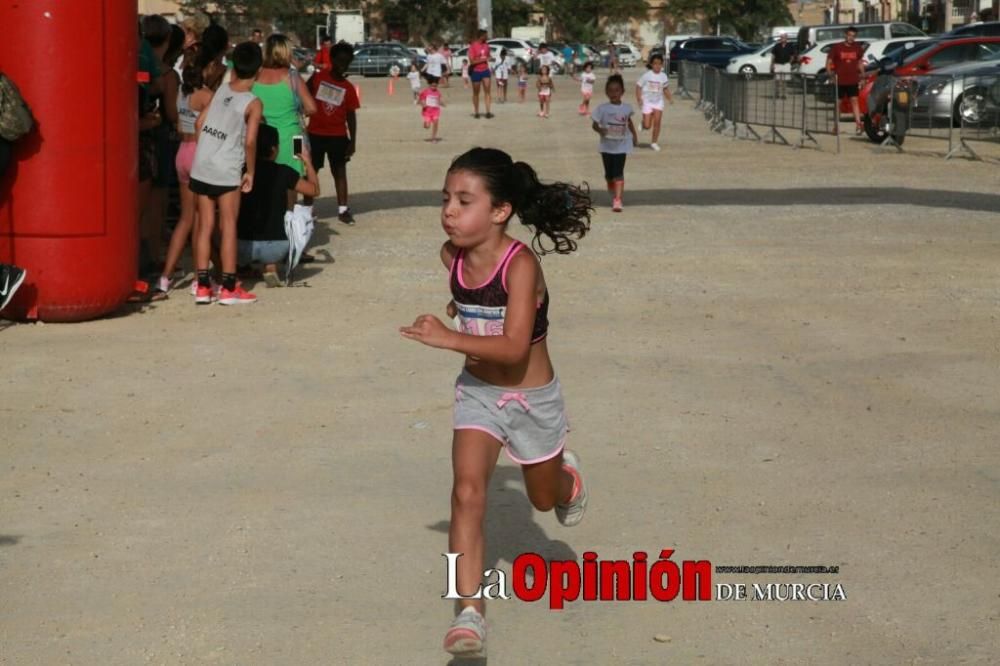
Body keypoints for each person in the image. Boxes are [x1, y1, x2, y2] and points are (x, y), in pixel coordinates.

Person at [399, 147, 592, 658]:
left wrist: (448, 337)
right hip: (479, 395)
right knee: (466, 494)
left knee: (543, 501)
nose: (449, 211)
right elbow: (468, 299)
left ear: (501, 211)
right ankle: (469, 615)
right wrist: (457, 309)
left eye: (465, 201)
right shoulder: (452, 257)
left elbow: (512, 347)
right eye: (446, 199)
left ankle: (566, 478)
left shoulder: (521, 266)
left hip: (532, 399)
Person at [190, 42, 264, 305]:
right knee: (229, 224)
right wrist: (250, 172)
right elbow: (251, 142)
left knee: (205, 225)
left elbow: (199, 123)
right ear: (259, 69)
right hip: (227, 167)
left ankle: (202, 286)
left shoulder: (221, 89)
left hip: (203, 165)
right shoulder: (253, 102)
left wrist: (206, 152)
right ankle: (229, 287)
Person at [237, 124, 320, 287]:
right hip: (277, 247)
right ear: (274, 150)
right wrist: (307, 161)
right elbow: (314, 190)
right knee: (296, 214)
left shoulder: (242, 172)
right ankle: (270, 266)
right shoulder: (284, 171)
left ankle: (234, 267)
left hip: (242, 247)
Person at [158, 51, 214, 294]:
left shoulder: (182, 93)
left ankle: (165, 276)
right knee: (203, 221)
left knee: (185, 218)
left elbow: (180, 124)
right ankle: (200, 277)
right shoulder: (207, 96)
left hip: (182, 152)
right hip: (199, 155)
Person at [307, 41, 361, 226]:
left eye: (346, 62)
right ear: (332, 59)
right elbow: (303, 95)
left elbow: (351, 116)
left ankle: (343, 209)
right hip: (315, 134)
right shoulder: (317, 78)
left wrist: (352, 141)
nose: (342, 65)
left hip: (338, 136)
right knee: (311, 172)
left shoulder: (348, 88)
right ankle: (307, 209)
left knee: (339, 172)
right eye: (339, 61)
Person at [592, 73, 638, 212]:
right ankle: (611, 185)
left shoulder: (627, 108)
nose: (614, 93)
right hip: (606, 147)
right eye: (610, 90)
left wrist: (634, 136)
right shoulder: (602, 109)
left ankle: (617, 200)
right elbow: (594, 125)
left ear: (622, 92)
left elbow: (628, 122)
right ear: (606, 92)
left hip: (621, 146)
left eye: (617, 90)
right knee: (609, 174)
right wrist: (600, 130)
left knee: (618, 172)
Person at [825, 25, 867, 134]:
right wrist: (831, 76)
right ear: (845, 35)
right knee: (838, 103)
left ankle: (858, 124)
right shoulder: (837, 47)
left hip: (853, 80)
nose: (851, 38)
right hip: (840, 80)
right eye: (849, 35)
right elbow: (829, 63)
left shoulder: (858, 48)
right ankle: (836, 126)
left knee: (854, 101)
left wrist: (862, 76)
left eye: (853, 36)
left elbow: (860, 63)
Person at [635, 53, 673, 152]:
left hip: (658, 102)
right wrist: (639, 99)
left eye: (659, 64)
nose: (657, 66)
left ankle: (654, 142)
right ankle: (643, 123)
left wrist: (669, 98)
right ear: (651, 64)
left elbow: (665, 89)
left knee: (657, 122)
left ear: (662, 65)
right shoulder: (647, 75)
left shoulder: (663, 76)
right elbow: (638, 87)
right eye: (655, 64)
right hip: (647, 101)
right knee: (648, 126)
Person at [468, 30, 494, 119]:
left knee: (487, 91)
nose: (487, 37)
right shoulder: (473, 46)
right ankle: (476, 112)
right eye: (485, 36)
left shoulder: (487, 45)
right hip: (476, 71)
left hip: (485, 70)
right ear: (481, 36)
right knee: (476, 93)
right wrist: (485, 59)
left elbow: (488, 55)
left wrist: (491, 58)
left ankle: (488, 111)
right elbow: (472, 61)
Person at [770, 32, 797, 99]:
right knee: (777, 81)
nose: (782, 38)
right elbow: (773, 56)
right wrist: (772, 65)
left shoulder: (790, 46)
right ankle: (777, 94)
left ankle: (784, 94)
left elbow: (792, 56)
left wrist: (789, 63)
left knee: (784, 81)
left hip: (786, 64)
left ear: (786, 38)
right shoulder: (777, 46)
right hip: (778, 64)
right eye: (781, 37)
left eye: (784, 37)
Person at [419, 76, 445, 142]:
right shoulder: (425, 91)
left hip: (435, 111)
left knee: (436, 123)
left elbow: (438, 100)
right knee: (427, 126)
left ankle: (434, 137)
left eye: (435, 86)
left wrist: (442, 103)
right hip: (427, 111)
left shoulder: (438, 92)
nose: (434, 88)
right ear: (429, 85)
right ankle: (425, 123)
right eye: (432, 86)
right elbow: (421, 99)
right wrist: (423, 104)